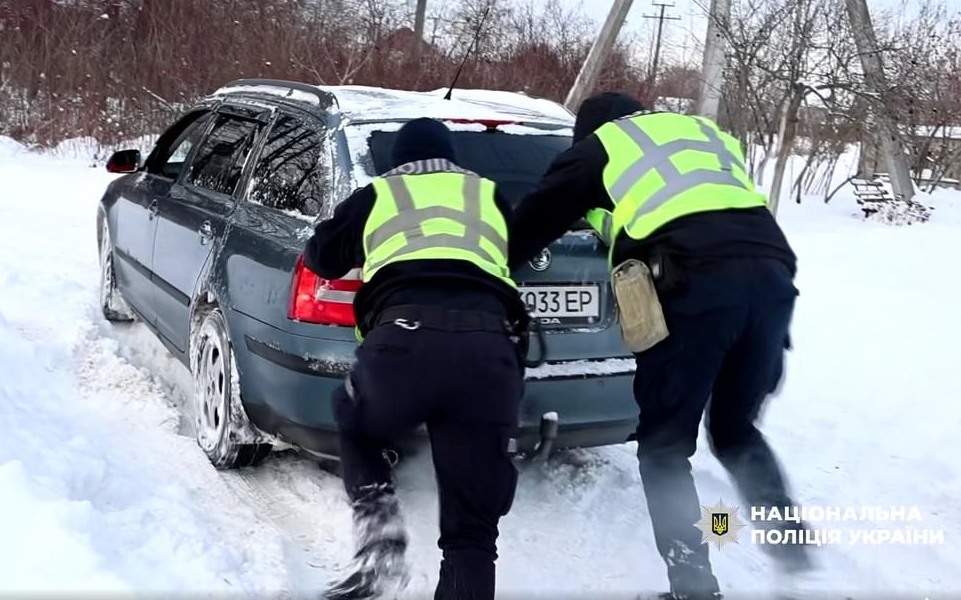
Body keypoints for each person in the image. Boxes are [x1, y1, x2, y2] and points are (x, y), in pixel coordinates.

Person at [507, 93, 810, 599]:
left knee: (665, 447)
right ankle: (792, 551)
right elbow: (691, 209)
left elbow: (530, 224)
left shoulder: (603, 145)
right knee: (735, 431)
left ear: (590, 132)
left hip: (697, 286)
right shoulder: (706, 135)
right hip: (773, 280)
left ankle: (693, 587)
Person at [302, 117, 529, 600]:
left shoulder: (378, 193)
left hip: (403, 344)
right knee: (472, 532)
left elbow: (321, 257)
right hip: (489, 353)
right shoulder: (488, 194)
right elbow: (512, 257)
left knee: (358, 425)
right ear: (452, 158)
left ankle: (379, 529)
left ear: (398, 159)